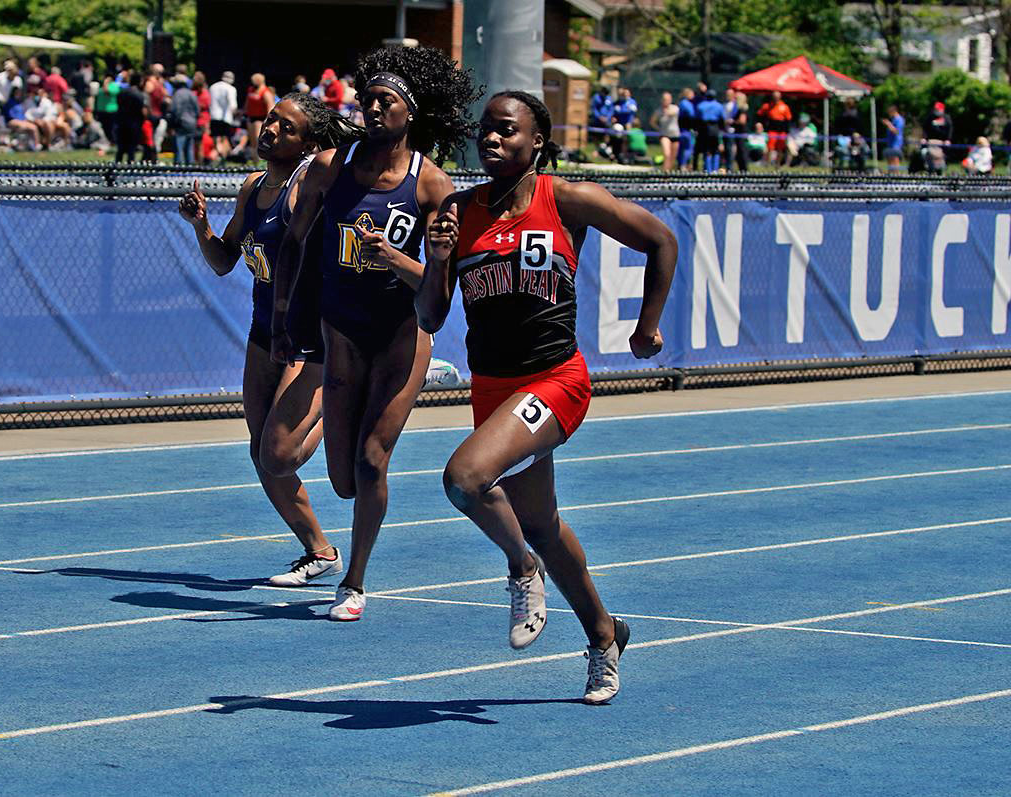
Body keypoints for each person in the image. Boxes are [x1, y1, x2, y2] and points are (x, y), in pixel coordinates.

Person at [415, 90, 676, 703]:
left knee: (464, 478)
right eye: (486, 130)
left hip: (555, 380)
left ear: (538, 142)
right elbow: (430, 315)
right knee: (541, 523)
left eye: (507, 130)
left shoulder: (567, 199)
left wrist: (647, 326)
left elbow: (660, 241)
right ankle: (605, 634)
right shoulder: (456, 211)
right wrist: (436, 258)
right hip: (493, 388)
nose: (493, 139)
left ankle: (519, 569)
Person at [272, 44, 478, 621]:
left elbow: (439, 293)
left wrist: (395, 257)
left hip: (399, 337)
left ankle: (355, 581)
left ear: (410, 113)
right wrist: (284, 318)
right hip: (340, 331)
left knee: (370, 462)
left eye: (387, 100)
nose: (373, 107)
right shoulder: (329, 168)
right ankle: (352, 550)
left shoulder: (433, 186)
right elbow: (293, 243)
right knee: (341, 479)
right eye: (368, 99)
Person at [180, 94, 363, 586]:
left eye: (286, 126)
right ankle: (320, 551)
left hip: (311, 335)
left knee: (278, 453)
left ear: (309, 142)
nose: (271, 130)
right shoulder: (253, 186)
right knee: (262, 456)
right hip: (264, 331)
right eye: (270, 120)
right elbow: (223, 261)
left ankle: (347, 397)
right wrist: (201, 227)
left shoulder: (313, 184)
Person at [115, 70, 147, 163]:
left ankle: (116, 167)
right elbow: (142, 111)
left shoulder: (122, 92)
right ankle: (130, 167)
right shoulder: (139, 94)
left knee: (120, 149)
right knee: (131, 149)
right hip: (134, 123)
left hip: (121, 122)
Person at [245, 73, 276, 161]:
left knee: (258, 140)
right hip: (250, 118)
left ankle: (260, 161)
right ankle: (255, 161)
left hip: (259, 119)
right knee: (252, 142)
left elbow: (270, 108)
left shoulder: (265, 92)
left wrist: (267, 122)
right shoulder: (251, 90)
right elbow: (247, 103)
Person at [170, 73, 200, 165]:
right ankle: (190, 169)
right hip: (192, 124)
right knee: (189, 149)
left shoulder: (177, 94)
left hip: (181, 124)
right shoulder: (192, 94)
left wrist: (173, 123)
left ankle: (178, 171)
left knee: (179, 149)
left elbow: (176, 110)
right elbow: (197, 110)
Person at [209, 70, 238, 161]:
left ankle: (218, 153)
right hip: (226, 118)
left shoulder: (213, 87)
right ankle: (222, 157)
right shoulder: (231, 89)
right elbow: (233, 105)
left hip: (213, 116)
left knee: (216, 138)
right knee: (225, 138)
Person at [757, 90, 792, 166]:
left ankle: (778, 164)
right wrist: (761, 124)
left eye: (777, 96)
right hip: (772, 128)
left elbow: (788, 119)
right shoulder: (767, 105)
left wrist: (787, 131)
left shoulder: (784, 106)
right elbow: (759, 115)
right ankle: (768, 164)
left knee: (780, 148)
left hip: (781, 129)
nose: (776, 98)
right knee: (770, 147)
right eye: (774, 96)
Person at [695, 88, 725, 172]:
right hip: (715, 128)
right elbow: (722, 119)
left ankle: (707, 170)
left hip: (704, 129)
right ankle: (715, 169)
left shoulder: (701, 105)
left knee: (706, 150)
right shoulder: (719, 105)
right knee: (715, 150)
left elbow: (697, 118)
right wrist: (722, 129)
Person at [649, 91, 680, 171]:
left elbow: (673, 112)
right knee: (667, 154)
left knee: (673, 157)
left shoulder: (675, 108)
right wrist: (659, 129)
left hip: (675, 135)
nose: (666, 101)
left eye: (667, 99)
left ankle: (668, 173)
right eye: (664, 99)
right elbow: (652, 122)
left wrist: (667, 112)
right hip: (664, 135)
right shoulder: (658, 111)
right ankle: (665, 174)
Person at [921, 101, 952, 174]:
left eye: (938, 109)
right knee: (926, 154)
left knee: (941, 158)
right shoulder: (930, 117)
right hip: (931, 142)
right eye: (935, 109)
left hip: (942, 143)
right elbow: (925, 128)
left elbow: (950, 129)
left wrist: (948, 139)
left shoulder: (946, 118)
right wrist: (924, 138)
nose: (936, 111)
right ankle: (930, 171)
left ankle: (940, 172)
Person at [676, 87, 696, 170]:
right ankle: (683, 165)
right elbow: (692, 115)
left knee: (682, 149)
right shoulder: (686, 103)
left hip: (682, 130)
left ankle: (681, 164)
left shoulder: (682, 103)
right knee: (688, 148)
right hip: (685, 130)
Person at [881, 104, 905, 171]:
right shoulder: (894, 120)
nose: (889, 114)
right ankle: (890, 178)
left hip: (896, 144)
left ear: (894, 111)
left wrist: (888, 124)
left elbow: (896, 132)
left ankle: (896, 178)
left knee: (895, 163)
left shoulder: (899, 120)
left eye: (889, 112)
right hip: (890, 144)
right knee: (890, 164)